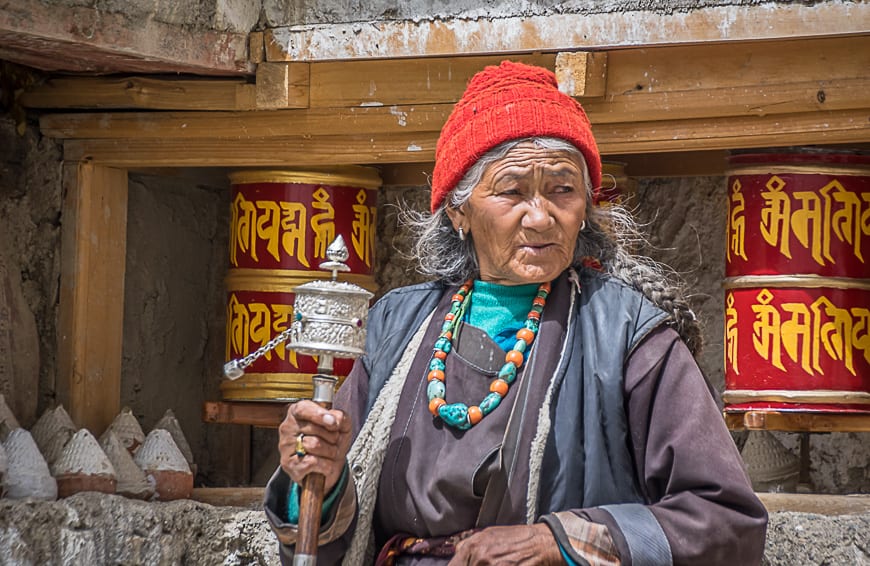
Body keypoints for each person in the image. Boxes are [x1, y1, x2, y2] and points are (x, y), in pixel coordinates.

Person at [264, 60, 768, 565]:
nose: (541, 215)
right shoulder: (395, 327)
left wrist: (558, 542)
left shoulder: (628, 334)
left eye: (562, 190)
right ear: (458, 211)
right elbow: (325, 523)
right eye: (511, 191)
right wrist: (318, 479)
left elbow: (725, 519)